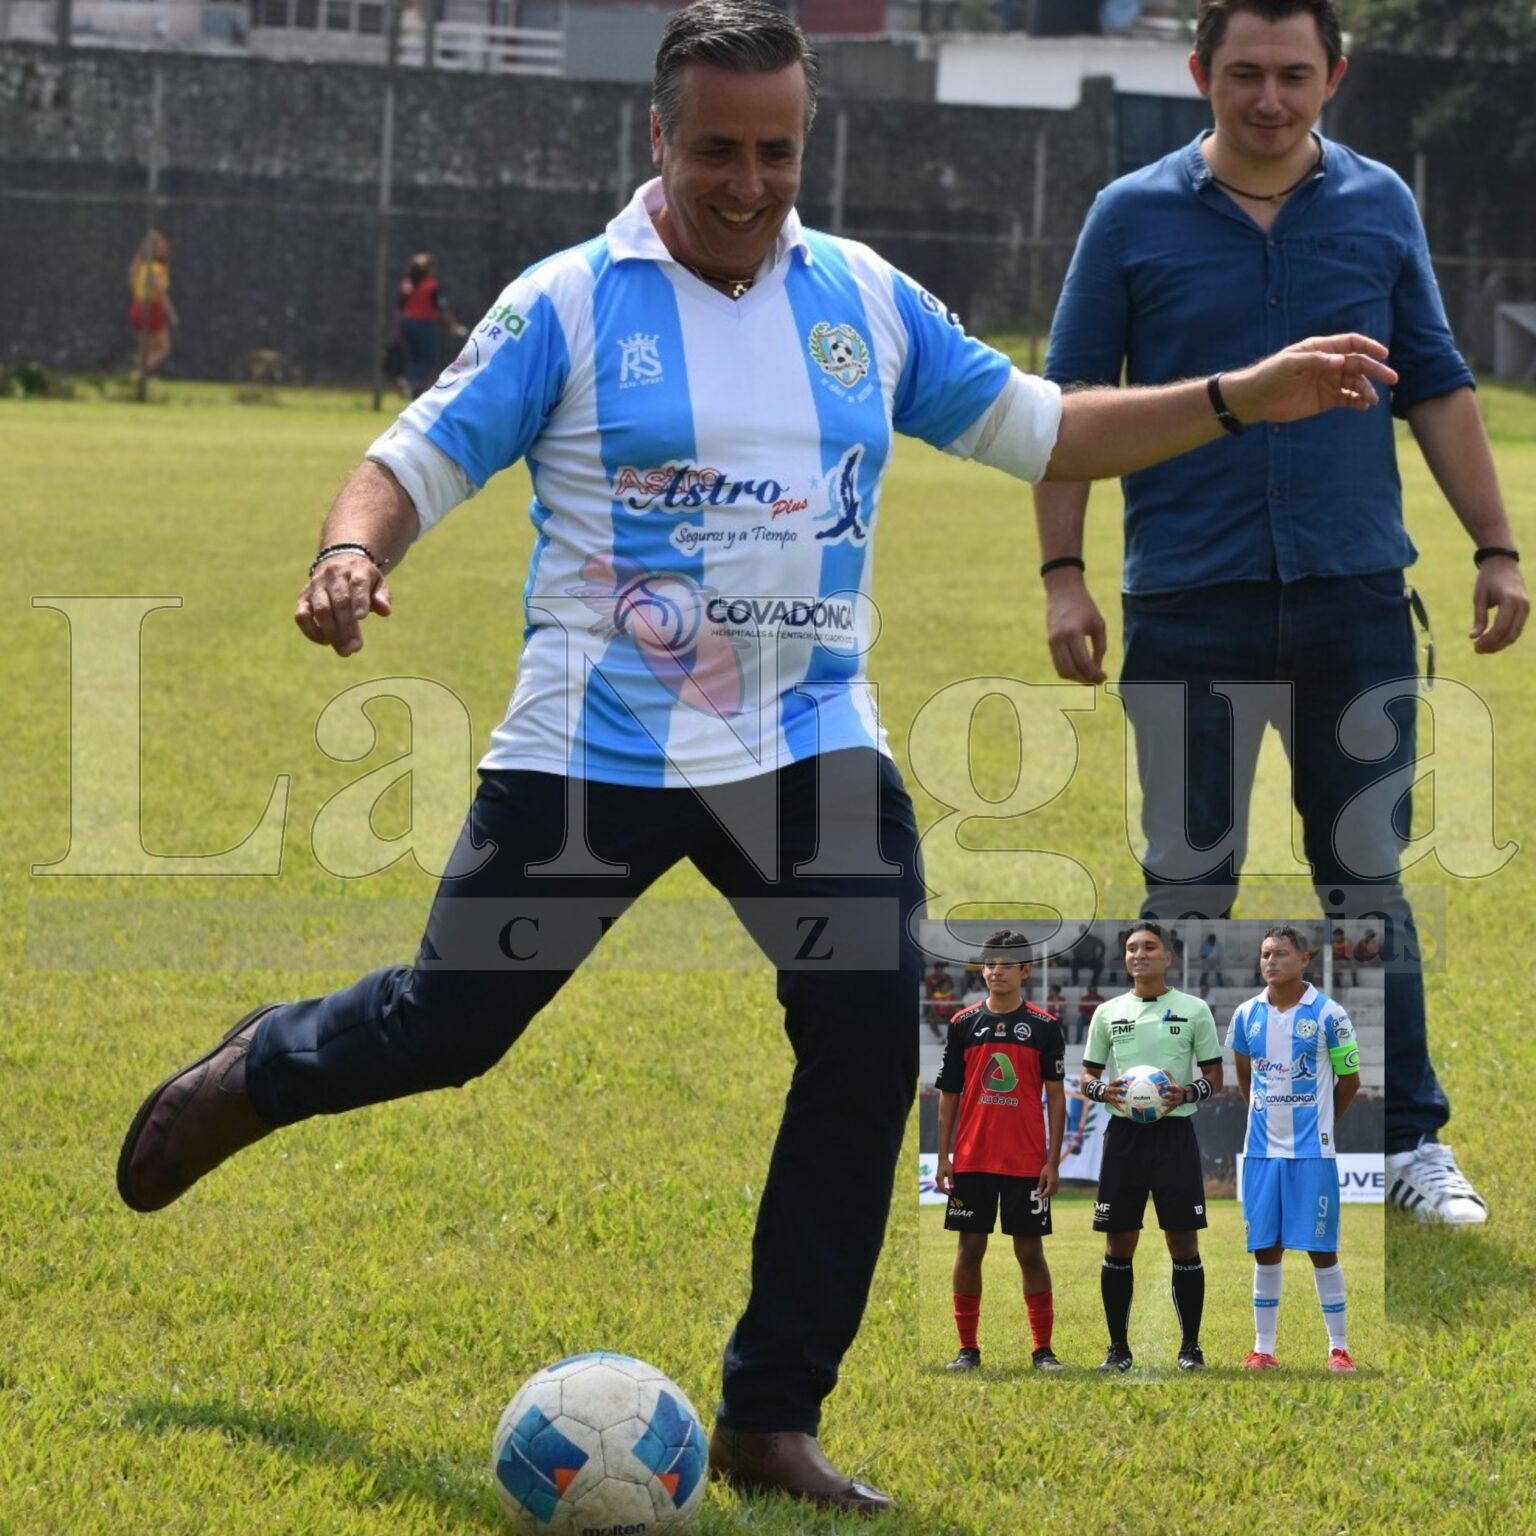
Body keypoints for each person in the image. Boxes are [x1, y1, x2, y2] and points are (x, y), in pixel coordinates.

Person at [114, 1, 1399, 1513]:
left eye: (776, 152)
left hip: (808, 748)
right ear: (658, 137)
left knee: (866, 1047)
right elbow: (414, 459)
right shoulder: (570, 303)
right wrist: (351, 552)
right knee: (448, 1032)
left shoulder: (862, 296)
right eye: (716, 150)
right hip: (591, 750)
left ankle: (770, 1419)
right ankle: (265, 1065)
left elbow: (1046, 429)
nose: (747, 182)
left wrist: (1245, 395)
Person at [1033, 0, 1523, 1225]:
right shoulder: (1129, 215)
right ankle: (1159, 1138)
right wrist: (1063, 572)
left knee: (1366, 882)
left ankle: (1408, 1146)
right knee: (1184, 884)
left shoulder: (1380, 205)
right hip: (1187, 600)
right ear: (1199, 70)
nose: (1268, 98)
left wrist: (1498, 547)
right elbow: (1067, 405)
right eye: (1244, 72)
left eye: (1293, 74)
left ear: (1333, 75)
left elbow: (1438, 383)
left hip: (1355, 599)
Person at [1081, 922, 1223, 1373]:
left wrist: (1188, 1092)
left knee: (1182, 1240)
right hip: (1124, 1138)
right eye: (1131, 948)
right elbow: (1088, 1075)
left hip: (1174, 1135)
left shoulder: (1194, 1010)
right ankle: (1117, 1349)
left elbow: (1214, 1076)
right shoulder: (1108, 1013)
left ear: (1168, 956)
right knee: (1119, 1241)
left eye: (1148, 947)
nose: (1138, 954)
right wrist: (1102, 1091)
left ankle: (1191, 1349)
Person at [1226, 925, 1361, 1370]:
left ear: (1304, 959)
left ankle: (1338, 1348)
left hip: (1311, 1153)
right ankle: (1263, 1350)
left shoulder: (1329, 1014)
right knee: (1266, 1249)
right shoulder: (1246, 1015)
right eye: (1266, 953)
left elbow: (1350, 1080)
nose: (1271, 961)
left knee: (1322, 1249)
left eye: (1281, 953)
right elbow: (1245, 1078)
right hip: (1262, 1152)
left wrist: (1323, 1123)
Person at [934, 931, 1067, 1372]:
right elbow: (949, 1094)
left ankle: (1043, 1350)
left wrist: (1052, 1160)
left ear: (1025, 971)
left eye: (1006, 964)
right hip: (973, 1159)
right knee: (969, 1249)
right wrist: (944, 1156)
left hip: (1026, 1162)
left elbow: (1056, 1099)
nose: (995, 971)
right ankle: (967, 1350)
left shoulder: (1045, 1027)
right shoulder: (963, 1023)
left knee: (1030, 1252)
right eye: (989, 964)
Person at [396, 252, 466, 398]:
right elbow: (442, 309)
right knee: (427, 361)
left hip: (406, 324)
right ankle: (409, 380)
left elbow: (402, 306)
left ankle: (414, 390)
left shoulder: (406, 285)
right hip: (423, 325)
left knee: (416, 358)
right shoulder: (432, 286)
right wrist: (453, 327)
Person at [128, 230, 178, 380]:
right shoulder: (157, 269)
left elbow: (132, 278)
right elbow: (160, 290)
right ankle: (139, 374)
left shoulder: (140, 266)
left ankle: (139, 375)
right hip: (151, 307)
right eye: (161, 247)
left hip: (137, 306)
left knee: (146, 348)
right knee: (163, 348)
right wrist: (171, 313)